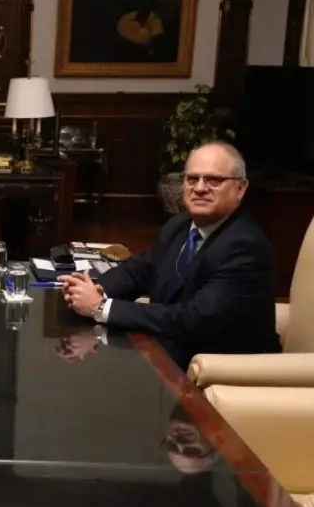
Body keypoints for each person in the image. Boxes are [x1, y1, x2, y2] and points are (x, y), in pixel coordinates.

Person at [59, 141, 279, 356]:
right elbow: (139, 271)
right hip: (170, 353)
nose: (200, 188)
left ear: (240, 188)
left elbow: (195, 320)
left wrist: (101, 307)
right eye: (192, 178)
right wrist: (92, 289)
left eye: (214, 180)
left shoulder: (245, 247)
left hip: (222, 373)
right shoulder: (179, 226)